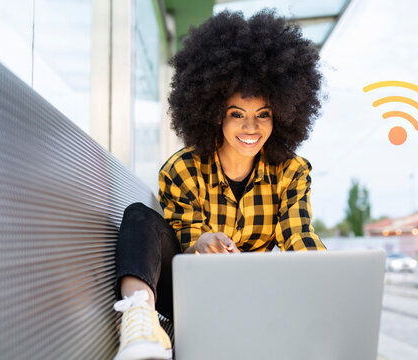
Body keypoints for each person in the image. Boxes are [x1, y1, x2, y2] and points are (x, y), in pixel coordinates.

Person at [112, 9, 326, 360]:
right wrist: (201, 243)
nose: (251, 128)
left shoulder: (292, 171)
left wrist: (328, 282)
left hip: (251, 294)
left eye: (263, 115)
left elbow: (298, 236)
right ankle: (140, 322)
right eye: (237, 114)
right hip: (191, 290)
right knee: (139, 216)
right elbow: (184, 241)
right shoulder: (182, 169)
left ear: (283, 115)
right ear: (214, 114)